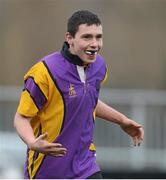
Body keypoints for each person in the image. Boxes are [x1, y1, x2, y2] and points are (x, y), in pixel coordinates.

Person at [14, 10, 144, 179]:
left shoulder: (99, 67)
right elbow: (21, 117)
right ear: (69, 38)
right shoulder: (44, 73)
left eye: (99, 37)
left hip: (85, 165)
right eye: (87, 37)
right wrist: (32, 143)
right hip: (48, 169)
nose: (95, 43)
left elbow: (88, 100)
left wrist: (122, 120)